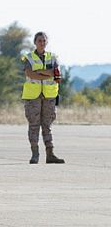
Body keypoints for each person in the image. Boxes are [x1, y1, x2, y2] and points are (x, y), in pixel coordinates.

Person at [21, 32, 65, 164]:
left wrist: (40, 72)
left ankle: (50, 154)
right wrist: (47, 74)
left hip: (49, 96)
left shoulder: (53, 57)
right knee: (34, 125)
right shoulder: (28, 58)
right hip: (33, 97)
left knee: (47, 125)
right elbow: (30, 74)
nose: (42, 43)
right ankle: (35, 154)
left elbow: (56, 74)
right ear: (35, 42)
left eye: (44, 40)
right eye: (39, 40)